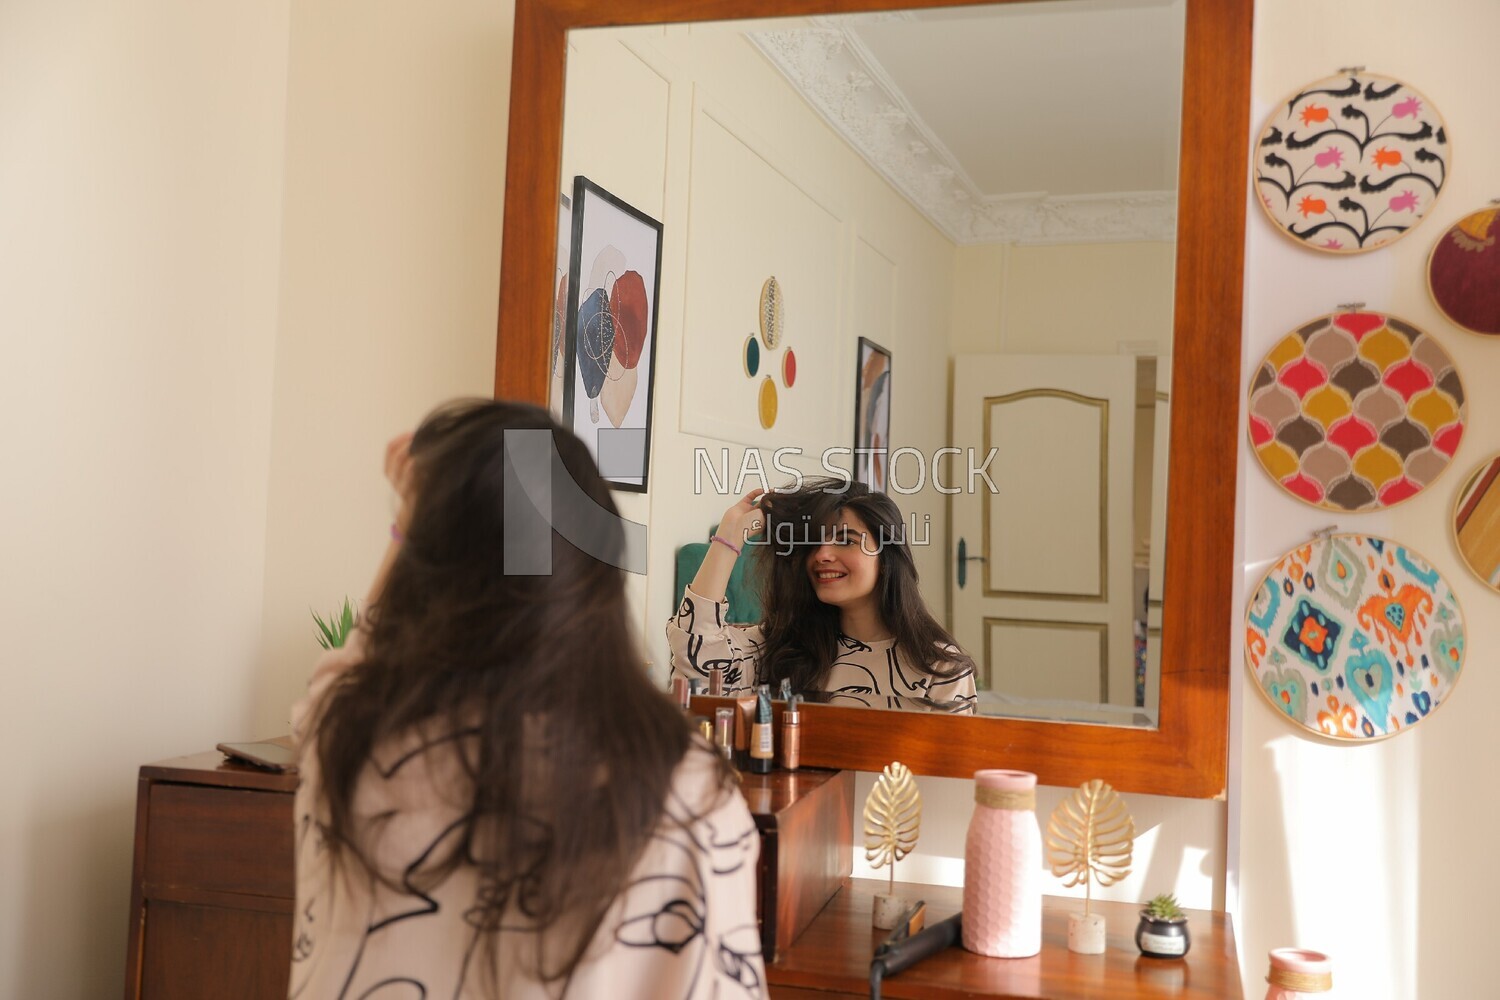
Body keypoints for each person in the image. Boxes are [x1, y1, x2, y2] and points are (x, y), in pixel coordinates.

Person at [290, 399, 764, 999]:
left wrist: (410, 517)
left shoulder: (350, 740)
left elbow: (353, 661)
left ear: (425, 571)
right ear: (597, 574)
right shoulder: (688, 791)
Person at [667, 478, 977, 713]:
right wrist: (729, 537)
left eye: (846, 540)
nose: (823, 554)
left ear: (886, 560)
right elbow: (695, 670)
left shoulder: (940, 670)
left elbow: (951, 779)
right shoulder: (776, 648)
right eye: (815, 541)